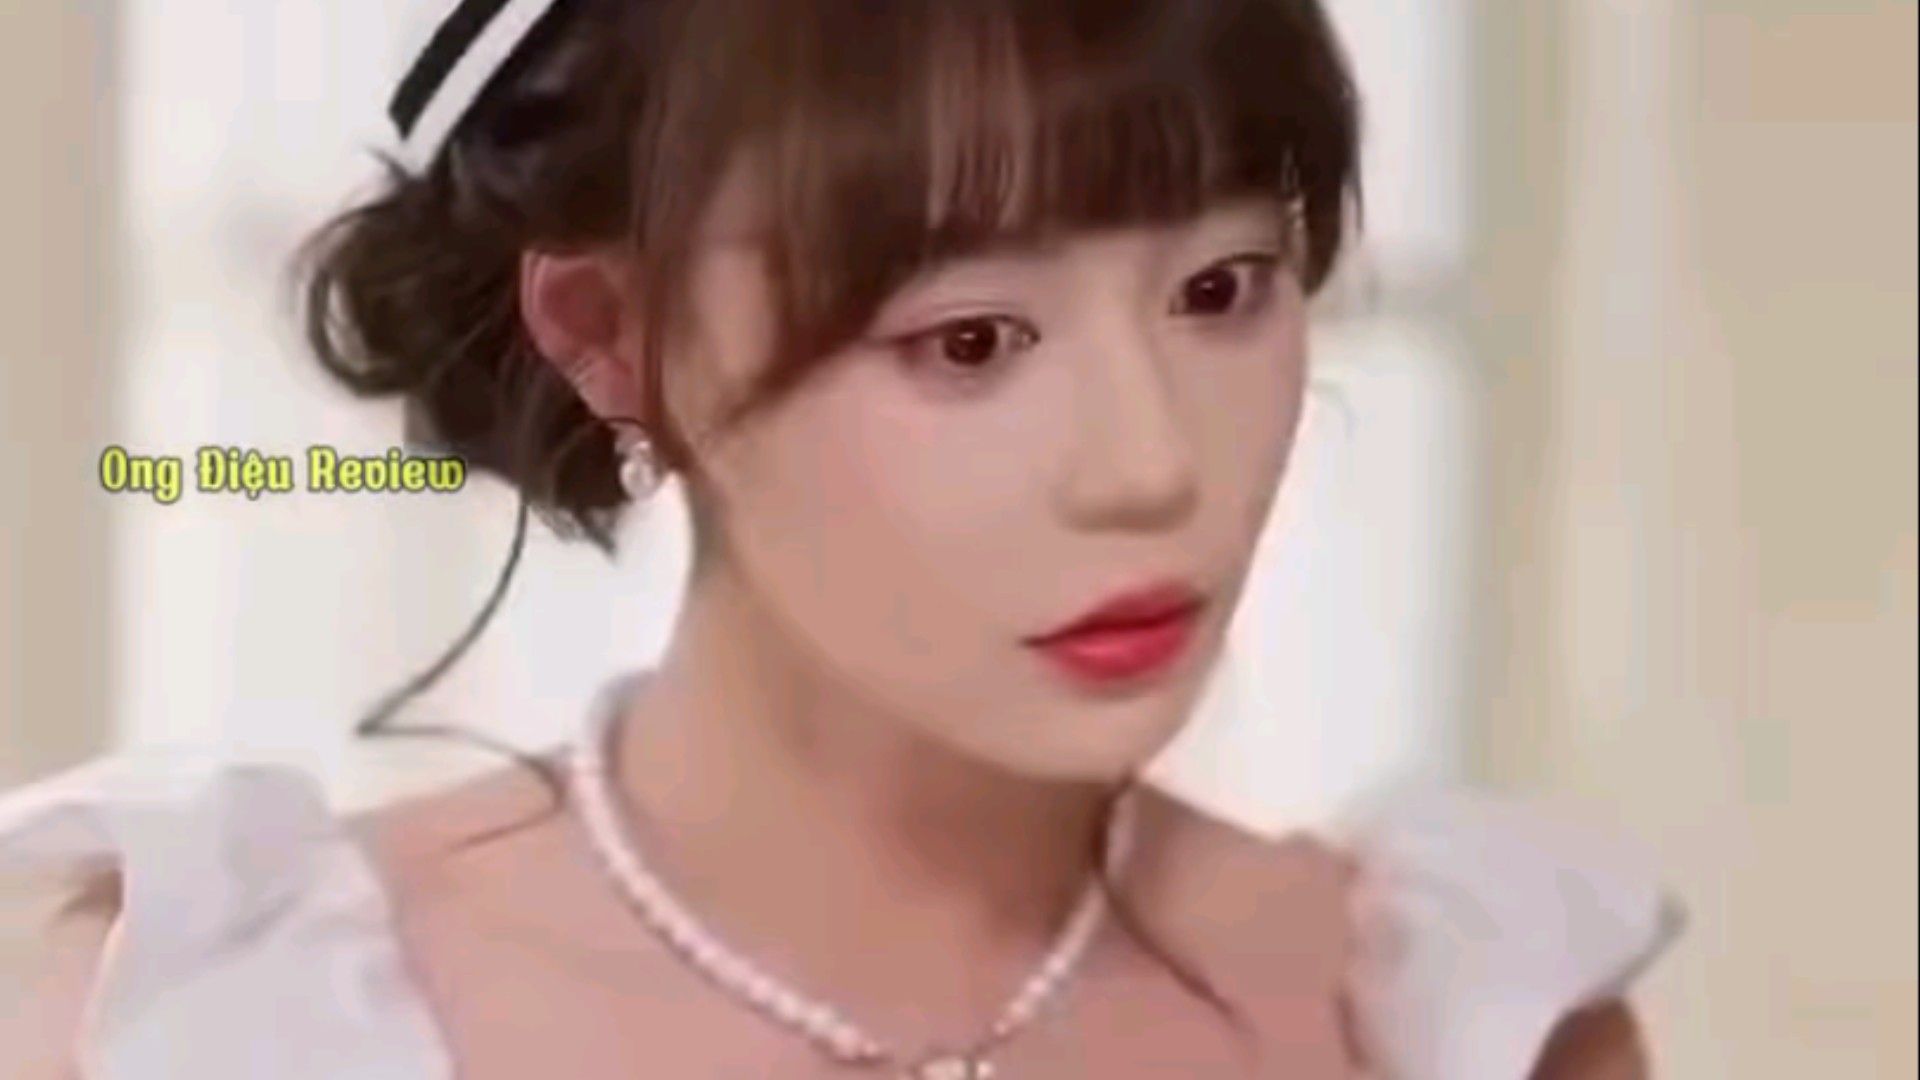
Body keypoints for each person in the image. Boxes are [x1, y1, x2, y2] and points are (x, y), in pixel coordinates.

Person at [1, 0, 1684, 1076]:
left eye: (1221, 290)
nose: (1151, 466)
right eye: (972, 341)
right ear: (613, 336)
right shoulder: (213, 1022)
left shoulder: (1451, 1023)